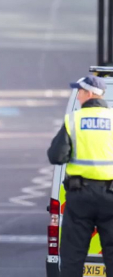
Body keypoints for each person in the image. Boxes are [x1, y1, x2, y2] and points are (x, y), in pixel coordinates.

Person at [48, 75, 113, 277]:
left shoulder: (74, 120)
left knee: (72, 257)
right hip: (111, 196)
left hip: (80, 196)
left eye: (80, 92)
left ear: (90, 93)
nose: (77, 97)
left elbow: (56, 156)